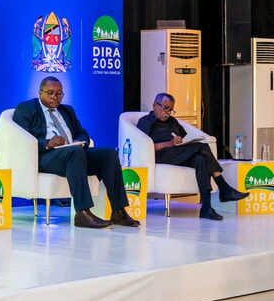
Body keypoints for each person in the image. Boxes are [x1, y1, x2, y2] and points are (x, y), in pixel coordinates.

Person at [13, 76, 140, 229]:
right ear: (40, 93)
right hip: (45, 156)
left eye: (59, 93)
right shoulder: (26, 108)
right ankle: (83, 213)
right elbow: (20, 139)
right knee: (75, 153)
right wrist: (46, 143)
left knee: (109, 154)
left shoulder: (67, 110)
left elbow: (81, 132)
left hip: (72, 154)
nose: (54, 97)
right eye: (50, 93)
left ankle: (118, 211)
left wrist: (79, 141)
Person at [136, 93, 249, 220]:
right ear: (155, 105)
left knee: (200, 159)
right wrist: (169, 143)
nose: (167, 113)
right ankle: (224, 188)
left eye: (171, 110)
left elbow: (183, 136)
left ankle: (206, 207)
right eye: (165, 108)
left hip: (176, 153)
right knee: (202, 147)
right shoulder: (145, 122)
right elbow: (144, 146)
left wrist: (181, 141)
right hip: (159, 156)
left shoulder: (172, 121)